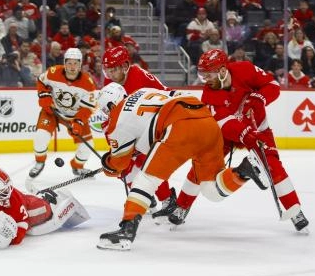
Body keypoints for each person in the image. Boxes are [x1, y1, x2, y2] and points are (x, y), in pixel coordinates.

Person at [95, 83, 269, 251]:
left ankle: (126, 230)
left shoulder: (118, 119)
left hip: (179, 124)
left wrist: (107, 163)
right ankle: (244, 171)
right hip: (207, 121)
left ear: (111, 104)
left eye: (105, 110)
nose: (106, 115)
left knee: (146, 179)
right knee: (211, 190)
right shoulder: (141, 92)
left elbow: (119, 165)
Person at [175, 49, 309, 232]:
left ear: (222, 71)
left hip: (257, 127)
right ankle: (182, 206)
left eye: (208, 74)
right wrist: (246, 133)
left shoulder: (245, 69)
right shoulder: (208, 95)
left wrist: (260, 97)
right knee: (201, 165)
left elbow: (272, 85)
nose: (205, 79)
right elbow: (225, 123)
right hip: (226, 135)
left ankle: (295, 211)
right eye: (202, 74)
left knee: (273, 165)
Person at [102, 45, 175, 215]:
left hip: (159, 121)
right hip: (141, 124)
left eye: (114, 70)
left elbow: (134, 116)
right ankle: (144, 197)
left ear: (125, 66)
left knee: (146, 161)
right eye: (107, 70)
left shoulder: (136, 77)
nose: (110, 75)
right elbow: (113, 113)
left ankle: (168, 200)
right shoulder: (113, 83)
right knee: (124, 168)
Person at [25, 48, 97, 188]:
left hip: (74, 116)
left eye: (75, 63)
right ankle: (39, 162)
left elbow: (89, 107)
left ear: (80, 64)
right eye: (69, 63)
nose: (72, 67)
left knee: (87, 146)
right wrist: (44, 96)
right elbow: (41, 81)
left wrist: (79, 121)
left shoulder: (88, 82)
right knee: (40, 136)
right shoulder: (53, 72)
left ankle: (77, 167)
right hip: (52, 111)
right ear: (64, 63)